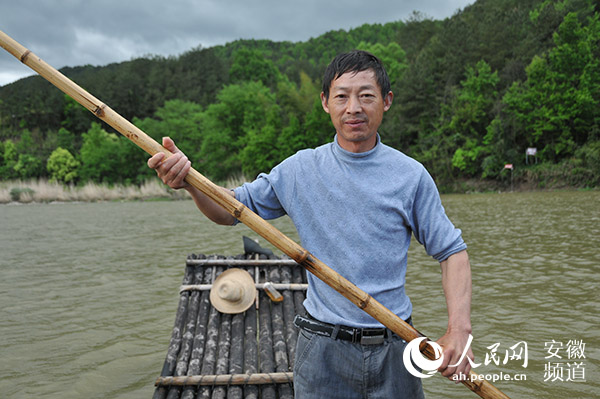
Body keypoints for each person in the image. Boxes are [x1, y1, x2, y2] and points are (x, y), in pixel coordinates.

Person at [148, 50, 474, 398]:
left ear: (386, 101)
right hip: (322, 350)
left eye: (366, 96)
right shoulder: (300, 170)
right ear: (325, 102)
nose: (354, 108)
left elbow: (452, 252)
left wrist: (458, 330)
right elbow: (230, 210)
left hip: (396, 345)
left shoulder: (410, 176)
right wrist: (190, 182)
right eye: (342, 96)